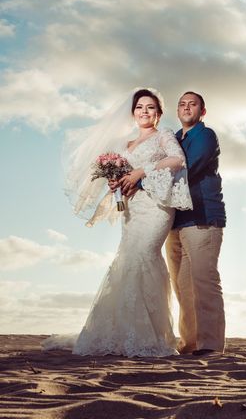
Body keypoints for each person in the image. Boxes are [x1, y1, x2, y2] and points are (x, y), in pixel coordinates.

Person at [43, 88, 192, 357]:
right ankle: (123, 331)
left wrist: (141, 171)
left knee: (144, 256)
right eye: (139, 108)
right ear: (133, 113)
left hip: (155, 208)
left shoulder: (164, 136)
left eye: (150, 107)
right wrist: (117, 183)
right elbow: (125, 178)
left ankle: (151, 335)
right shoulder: (126, 145)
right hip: (131, 210)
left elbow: (177, 160)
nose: (144, 112)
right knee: (126, 259)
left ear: (159, 113)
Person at [164, 91, 227, 356]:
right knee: (183, 287)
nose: (186, 107)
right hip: (175, 222)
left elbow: (186, 169)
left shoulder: (205, 136)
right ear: (177, 111)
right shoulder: (174, 140)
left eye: (192, 104)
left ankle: (210, 346)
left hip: (201, 217)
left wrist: (143, 179)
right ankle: (190, 344)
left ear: (202, 111)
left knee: (204, 282)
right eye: (182, 104)